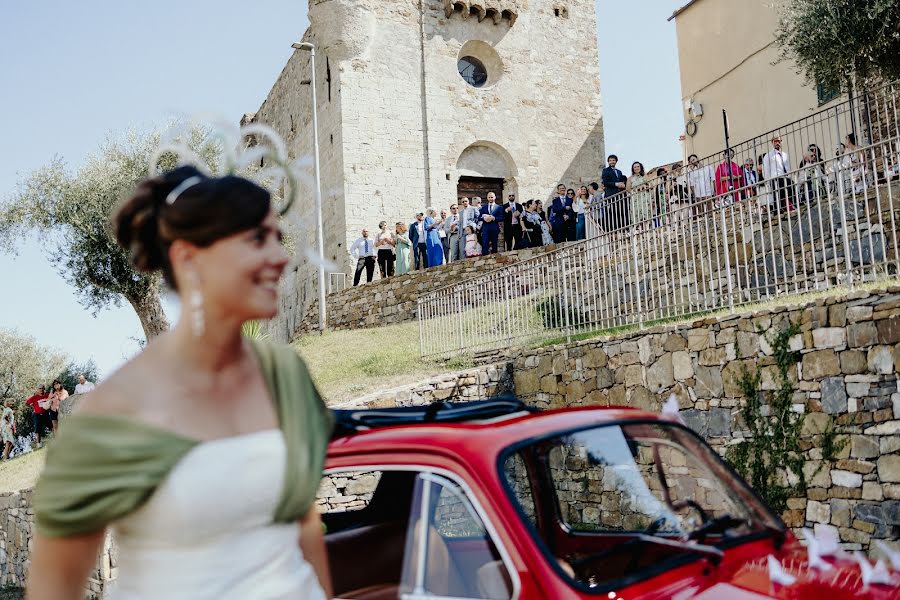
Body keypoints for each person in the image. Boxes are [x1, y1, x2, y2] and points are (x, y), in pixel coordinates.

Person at [28, 165, 333, 600]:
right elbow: (53, 589)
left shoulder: (286, 375)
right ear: (189, 258)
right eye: (256, 239)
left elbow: (304, 523)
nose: (281, 257)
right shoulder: (114, 412)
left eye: (277, 238)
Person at [762, 136, 793, 213]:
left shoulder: (784, 155)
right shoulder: (768, 155)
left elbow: (787, 167)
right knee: (777, 196)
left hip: (785, 177)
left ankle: (794, 206)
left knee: (790, 191)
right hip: (775, 178)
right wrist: (768, 181)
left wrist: (789, 176)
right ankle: (777, 212)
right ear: (772, 142)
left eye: (779, 141)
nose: (777, 143)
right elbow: (766, 169)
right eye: (775, 141)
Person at [601, 155, 628, 230]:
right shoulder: (605, 170)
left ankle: (621, 227)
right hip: (611, 194)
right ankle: (613, 228)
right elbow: (605, 182)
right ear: (608, 162)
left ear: (616, 161)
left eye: (613, 160)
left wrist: (622, 184)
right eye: (610, 160)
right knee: (612, 212)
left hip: (619, 194)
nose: (612, 162)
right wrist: (616, 184)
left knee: (620, 211)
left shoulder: (619, 172)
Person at [627, 162, 651, 228]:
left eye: (638, 166)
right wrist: (636, 190)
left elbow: (650, 185)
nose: (636, 168)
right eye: (635, 167)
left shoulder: (644, 175)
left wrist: (644, 186)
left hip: (644, 196)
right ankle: (638, 229)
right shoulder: (630, 178)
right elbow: (628, 189)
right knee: (636, 214)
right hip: (635, 197)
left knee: (645, 213)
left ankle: (647, 228)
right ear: (632, 168)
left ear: (640, 167)